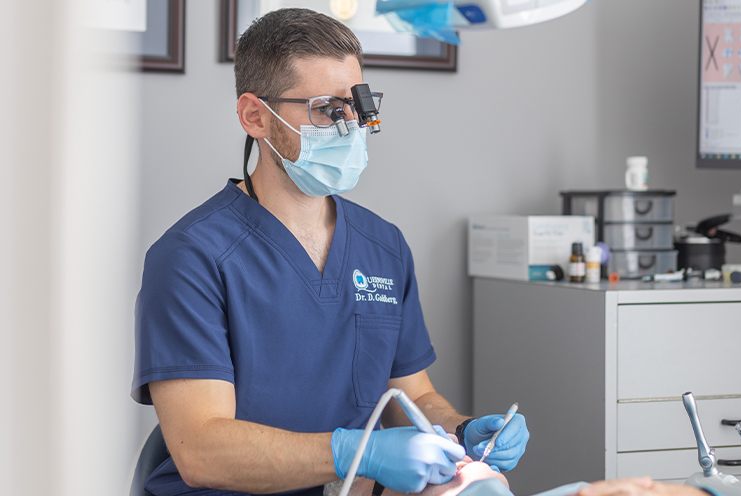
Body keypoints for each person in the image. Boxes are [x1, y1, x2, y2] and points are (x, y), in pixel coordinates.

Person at [131, 7, 529, 496]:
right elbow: (201, 450)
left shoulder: (382, 247)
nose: (352, 126)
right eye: (327, 109)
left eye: (358, 105)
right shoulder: (192, 257)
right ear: (255, 116)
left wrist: (463, 428)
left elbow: (414, 395)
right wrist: (357, 452)